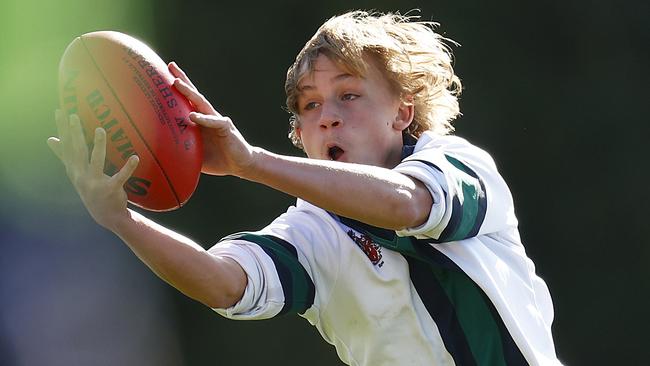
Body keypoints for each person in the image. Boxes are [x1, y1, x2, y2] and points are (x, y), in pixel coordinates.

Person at [48, 10, 561, 366]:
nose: (328, 118)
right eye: (310, 105)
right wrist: (121, 220)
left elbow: (405, 203)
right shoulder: (310, 232)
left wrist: (251, 163)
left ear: (402, 112)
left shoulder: (456, 164)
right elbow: (225, 284)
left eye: (350, 94)